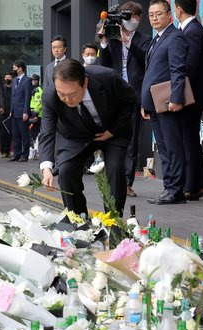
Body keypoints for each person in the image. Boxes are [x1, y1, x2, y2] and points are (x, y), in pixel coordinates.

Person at [40, 59, 136, 216]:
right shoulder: (50, 96)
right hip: (75, 135)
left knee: (115, 170)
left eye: (72, 94)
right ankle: (79, 222)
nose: (67, 100)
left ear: (85, 83)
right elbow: (47, 132)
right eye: (61, 94)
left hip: (110, 131)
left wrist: (114, 130)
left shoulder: (107, 78)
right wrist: (46, 169)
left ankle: (113, 222)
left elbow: (130, 99)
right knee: (65, 173)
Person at [99, 1, 151, 198]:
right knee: (112, 138)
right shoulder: (112, 38)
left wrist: (127, 41)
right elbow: (104, 65)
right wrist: (104, 42)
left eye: (133, 17)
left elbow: (146, 58)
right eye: (126, 17)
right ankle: (113, 180)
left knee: (131, 141)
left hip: (134, 95)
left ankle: (127, 183)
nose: (130, 21)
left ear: (138, 18)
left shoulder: (144, 40)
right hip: (114, 95)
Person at [141, 0, 188, 205]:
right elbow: (151, 73)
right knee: (163, 147)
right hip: (154, 104)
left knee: (173, 147)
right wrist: (145, 103)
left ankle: (176, 189)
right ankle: (169, 187)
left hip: (169, 103)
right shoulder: (156, 39)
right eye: (151, 15)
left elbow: (178, 70)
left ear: (170, 15)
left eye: (158, 14)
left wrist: (176, 98)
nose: (154, 18)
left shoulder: (175, 37)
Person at [174, 0, 203, 201]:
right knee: (191, 140)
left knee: (187, 141)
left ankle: (191, 187)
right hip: (191, 95)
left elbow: (189, 66)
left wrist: (176, 91)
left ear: (178, 9)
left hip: (191, 97)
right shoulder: (191, 30)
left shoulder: (192, 32)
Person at [9, 59, 33, 162]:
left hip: (22, 112)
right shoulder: (14, 80)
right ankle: (17, 154)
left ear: (20, 68)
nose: (13, 69)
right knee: (15, 135)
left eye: (15, 67)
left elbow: (27, 97)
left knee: (24, 134)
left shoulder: (27, 80)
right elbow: (13, 97)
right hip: (14, 112)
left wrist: (26, 112)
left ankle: (25, 155)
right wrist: (11, 110)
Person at [0, 72, 13, 158]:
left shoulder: (15, 88)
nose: (8, 78)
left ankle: (10, 150)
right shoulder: (2, 88)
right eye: (6, 77)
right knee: (3, 133)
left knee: (11, 133)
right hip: (3, 113)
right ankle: (4, 151)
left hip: (12, 113)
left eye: (9, 77)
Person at [29, 74, 43, 158]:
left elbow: (39, 103)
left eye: (34, 80)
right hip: (34, 113)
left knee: (36, 133)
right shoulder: (34, 90)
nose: (33, 82)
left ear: (38, 81)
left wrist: (35, 115)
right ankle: (35, 151)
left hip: (37, 115)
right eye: (32, 80)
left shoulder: (38, 90)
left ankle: (36, 151)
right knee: (34, 133)